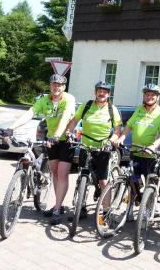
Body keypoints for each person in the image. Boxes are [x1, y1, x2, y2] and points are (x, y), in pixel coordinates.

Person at [8, 74, 75, 225]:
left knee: (62, 174)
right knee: (55, 173)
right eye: (53, 84)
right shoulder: (44, 100)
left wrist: (58, 134)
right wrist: (12, 128)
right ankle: (58, 204)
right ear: (50, 86)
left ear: (63, 87)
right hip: (52, 140)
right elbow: (30, 113)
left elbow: (65, 117)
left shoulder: (68, 99)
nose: (56, 87)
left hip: (66, 140)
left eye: (59, 85)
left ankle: (57, 209)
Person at [64, 81, 122, 219]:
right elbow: (75, 120)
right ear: (95, 92)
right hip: (85, 146)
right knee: (83, 176)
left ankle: (106, 211)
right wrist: (68, 132)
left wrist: (111, 140)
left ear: (108, 94)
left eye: (105, 91)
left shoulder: (111, 109)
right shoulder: (87, 105)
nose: (101, 93)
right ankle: (80, 208)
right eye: (99, 90)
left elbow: (118, 130)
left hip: (102, 148)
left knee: (102, 181)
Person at [116, 83, 160, 221]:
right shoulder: (139, 109)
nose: (149, 97)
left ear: (157, 97)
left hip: (150, 155)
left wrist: (153, 146)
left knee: (150, 182)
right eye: (147, 94)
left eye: (152, 95)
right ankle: (130, 208)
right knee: (133, 180)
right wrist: (121, 137)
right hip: (136, 152)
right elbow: (129, 126)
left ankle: (148, 209)